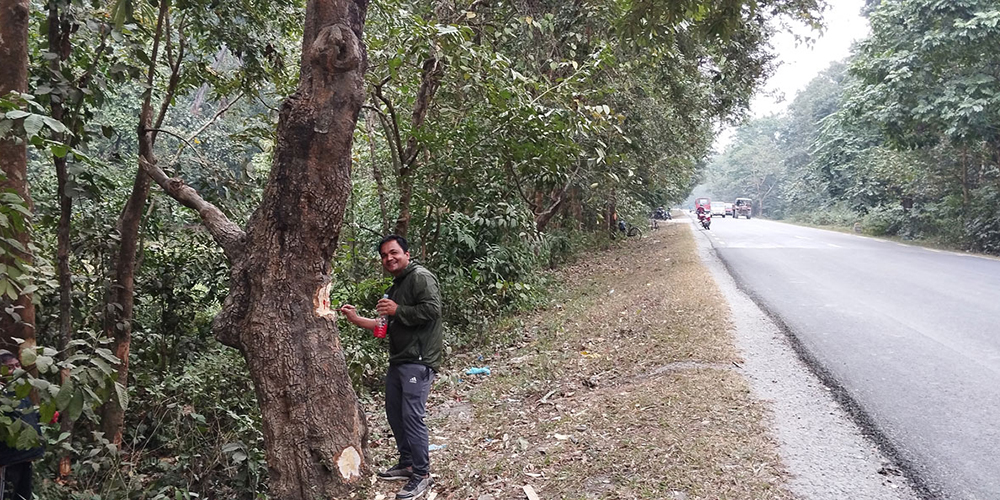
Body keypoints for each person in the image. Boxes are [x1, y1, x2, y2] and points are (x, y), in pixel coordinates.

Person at [339, 235, 442, 500]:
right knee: (395, 414)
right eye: (384, 255)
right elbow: (383, 327)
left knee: (412, 416)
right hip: (399, 360)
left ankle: (421, 474)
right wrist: (355, 318)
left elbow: (432, 311)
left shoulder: (420, 277)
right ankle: (407, 463)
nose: (389, 258)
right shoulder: (395, 287)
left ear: (407, 254)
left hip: (418, 360)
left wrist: (398, 310)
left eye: (394, 252)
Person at [0, 350, 43, 500]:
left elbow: (24, 415)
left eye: (18, 365)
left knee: (23, 495)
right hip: (7, 460)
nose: (16, 370)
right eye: (10, 367)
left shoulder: (19, 391)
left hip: (25, 456)